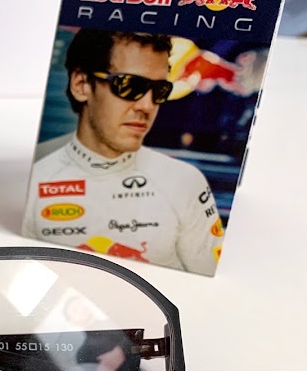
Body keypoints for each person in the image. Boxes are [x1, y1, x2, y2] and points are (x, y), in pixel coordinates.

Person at [22, 29, 223, 276]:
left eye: (160, 90)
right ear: (81, 85)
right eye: (129, 85)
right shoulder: (31, 179)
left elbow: (214, 288)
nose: (147, 106)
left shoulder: (185, 182)